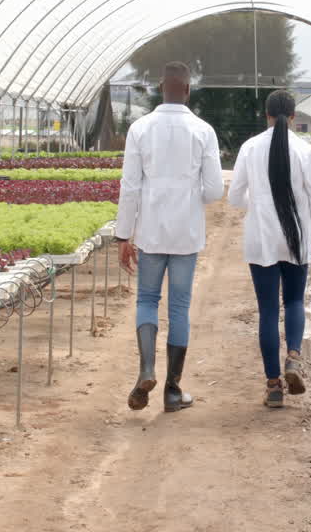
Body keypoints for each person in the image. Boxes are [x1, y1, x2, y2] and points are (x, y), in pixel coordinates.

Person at [116, 61, 224, 413]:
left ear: (161, 88)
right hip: (186, 233)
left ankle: (146, 368)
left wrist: (123, 236)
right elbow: (214, 189)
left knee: (147, 299)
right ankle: (173, 391)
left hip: (149, 230)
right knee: (179, 306)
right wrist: (190, 193)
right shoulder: (203, 130)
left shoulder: (140, 128)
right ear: (188, 90)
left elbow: (130, 186)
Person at [228, 90, 311, 407]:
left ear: (266, 115)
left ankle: (273, 387)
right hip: (297, 238)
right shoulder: (306, 151)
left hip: (261, 240)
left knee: (268, 311)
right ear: (294, 117)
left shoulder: (250, 148)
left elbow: (234, 197)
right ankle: (294, 357)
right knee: (295, 300)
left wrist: (256, 207)